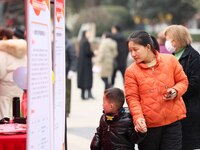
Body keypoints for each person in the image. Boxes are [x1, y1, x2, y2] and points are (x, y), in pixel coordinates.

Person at [124, 30, 188, 150]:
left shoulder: (170, 60)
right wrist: (138, 118)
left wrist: (175, 91)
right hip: (148, 127)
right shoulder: (131, 71)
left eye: (136, 49)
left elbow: (183, 81)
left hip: (172, 123)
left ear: (148, 47)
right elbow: (132, 98)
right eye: (130, 51)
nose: (132, 54)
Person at [164, 25, 200, 150]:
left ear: (176, 40)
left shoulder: (193, 56)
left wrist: (177, 92)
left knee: (187, 143)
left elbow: (195, 82)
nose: (167, 43)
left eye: (168, 39)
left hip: (189, 106)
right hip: (176, 106)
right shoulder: (174, 56)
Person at [0, 27, 27, 119]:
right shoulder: (23, 50)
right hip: (18, 86)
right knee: (16, 112)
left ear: (3, 38)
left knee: (5, 114)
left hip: (5, 88)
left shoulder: (2, 51)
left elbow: (1, 72)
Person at [77, 30, 94, 100]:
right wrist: (93, 53)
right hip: (86, 64)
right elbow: (88, 52)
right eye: (88, 33)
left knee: (83, 79)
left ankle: (83, 95)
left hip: (81, 64)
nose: (89, 34)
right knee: (87, 79)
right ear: (85, 34)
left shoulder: (81, 42)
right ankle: (89, 94)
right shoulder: (86, 42)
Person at [65, 38, 77, 116]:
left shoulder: (69, 44)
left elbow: (74, 58)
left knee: (67, 92)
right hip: (55, 72)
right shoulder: (52, 42)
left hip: (66, 71)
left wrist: (72, 69)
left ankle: (67, 111)